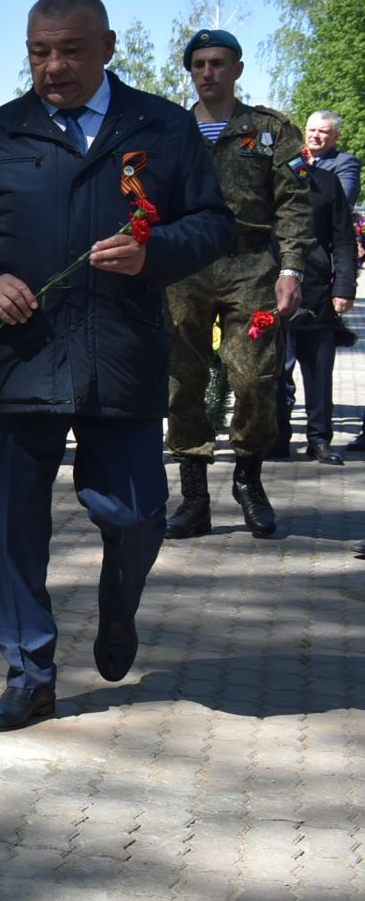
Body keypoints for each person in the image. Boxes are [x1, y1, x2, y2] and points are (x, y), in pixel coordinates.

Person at [0, 0, 232, 733]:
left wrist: (154, 252)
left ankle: (118, 604)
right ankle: (29, 670)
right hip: (22, 361)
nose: (53, 66)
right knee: (16, 527)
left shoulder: (159, 126)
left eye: (69, 51)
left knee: (135, 514)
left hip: (119, 355)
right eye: (39, 52)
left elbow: (215, 223)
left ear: (108, 47)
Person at [162, 29, 313, 540]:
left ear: (238, 69)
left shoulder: (267, 130)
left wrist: (292, 269)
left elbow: (294, 202)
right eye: (199, 64)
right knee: (184, 381)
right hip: (185, 268)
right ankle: (194, 498)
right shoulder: (170, 130)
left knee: (253, 377)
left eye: (219, 63)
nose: (208, 72)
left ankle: (249, 480)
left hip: (251, 267)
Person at [272, 146, 356, 462]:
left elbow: (344, 239)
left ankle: (319, 439)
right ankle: (277, 438)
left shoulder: (326, 182)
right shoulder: (267, 183)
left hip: (316, 290)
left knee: (318, 370)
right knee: (274, 371)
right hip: (269, 289)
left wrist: (345, 288)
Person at [304, 109, 358, 205]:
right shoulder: (293, 160)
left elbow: (344, 200)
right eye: (312, 130)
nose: (315, 135)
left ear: (336, 137)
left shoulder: (345, 163)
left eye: (322, 132)